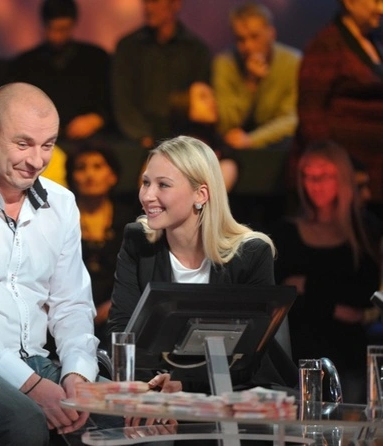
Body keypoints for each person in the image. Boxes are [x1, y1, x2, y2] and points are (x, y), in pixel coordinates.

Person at [0, 83, 179, 445]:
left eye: (47, 145)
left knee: (140, 420)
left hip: (38, 363)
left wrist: (77, 376)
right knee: (25, 423)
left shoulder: (61, 203)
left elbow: (71, 304)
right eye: (23, 144)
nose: (37, 160)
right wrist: (32, 386)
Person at [107, 136, 295, 392]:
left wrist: (184, 384)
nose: (147, 195)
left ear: (201, 194)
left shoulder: (251, 253)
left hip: (231, 392)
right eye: (146, 182)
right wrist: (152, 390)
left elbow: (249, 355)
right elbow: (122, 333)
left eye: (163, 185)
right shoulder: (137, 240)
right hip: (154, 393)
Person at [268, 141, 381, 403]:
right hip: (298, 358)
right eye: (308, 176)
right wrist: (333, 306)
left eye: (324, 176)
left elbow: (363, 294)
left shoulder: (364, 231)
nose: (315, 185)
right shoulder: (285, 233)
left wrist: (307, 285)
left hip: (349, 357)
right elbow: (282, 299)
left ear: (343, 178)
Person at [296, 0, 383, 205]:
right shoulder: (326, 45)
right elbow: (311, 115)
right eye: (376, 1)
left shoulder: (373, 41)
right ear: (350, 2)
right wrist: (340, 169)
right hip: (348, 178)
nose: (381, 9)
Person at [111, 0, 211, 150]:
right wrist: (142, 135)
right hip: (136, 142)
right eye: (145, 2)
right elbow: (123, 103)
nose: (148, 8)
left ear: (175, 4)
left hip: (183, 143)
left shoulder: (196, 50)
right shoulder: (128, 47)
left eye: (155, 1)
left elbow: (199, 104)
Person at [8, 0, 111, 141]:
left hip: (88, 140)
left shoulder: (95, 58)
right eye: (51, 28)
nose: (56, 36)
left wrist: (95, 119)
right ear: (43, 24)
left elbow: (110, 102)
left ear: (73, 24)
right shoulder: (25, 63)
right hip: (38, 141)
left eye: (63, 29)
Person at [66, 143, 137, 347]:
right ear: (72, 177)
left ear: (112, 176)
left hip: (118, 311)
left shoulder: (130, 219)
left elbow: (139, 272)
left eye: (98, 167)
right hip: (67, 312)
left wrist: (116, 303)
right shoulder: (60, 217)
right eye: (81, 168)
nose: (89, 175)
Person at [212, 2, 301, 150]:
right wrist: (250, 83)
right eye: (241, 39)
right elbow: (225, 124)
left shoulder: (292, 62)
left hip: (277, 145)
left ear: (271, 33)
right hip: (234, 146)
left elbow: (291, 119)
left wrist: (252, 140)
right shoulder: (225, 64)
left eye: (255, 37)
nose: (248, 46)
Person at [168, 81, 238, 192]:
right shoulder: (165, 147)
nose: (213, 101)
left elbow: (211, 197)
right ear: (184, 102)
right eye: (203, 97)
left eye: (213, 96)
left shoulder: (224, 155)